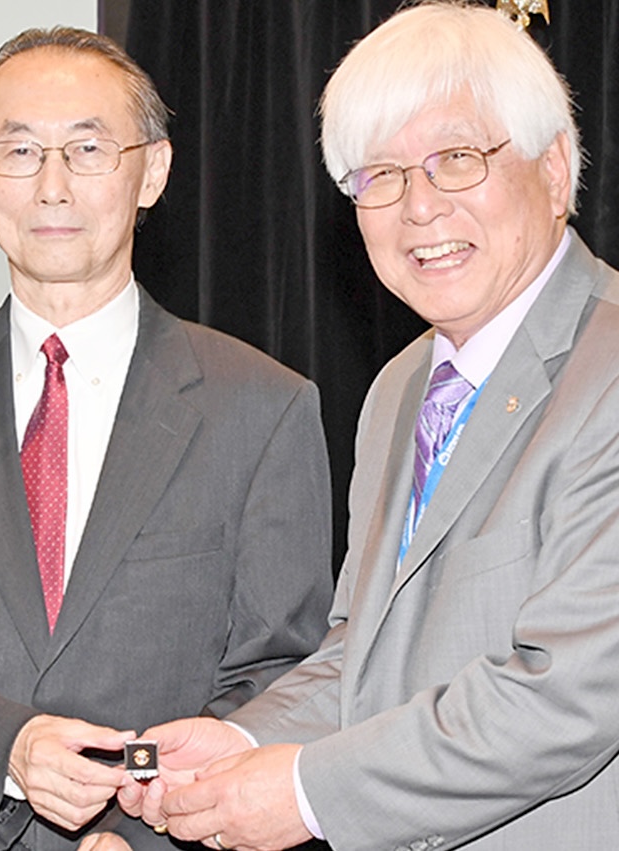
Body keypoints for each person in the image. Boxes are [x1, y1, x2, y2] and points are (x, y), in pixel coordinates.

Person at [88, 2, 619, 850]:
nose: (419, 208)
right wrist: (247, 740)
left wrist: (304, 792)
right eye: (381, 175)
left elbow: (571, 694)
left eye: (456, 159)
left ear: (554, 170)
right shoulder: (399, 388)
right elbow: (363, 652)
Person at [0, 26, 333, 851]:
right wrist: (5, 747)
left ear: (153, 171)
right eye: (19, 151)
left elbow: (286, 672)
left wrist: (157, 828)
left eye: (89, 149)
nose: (52, 187)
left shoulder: (263, 407)